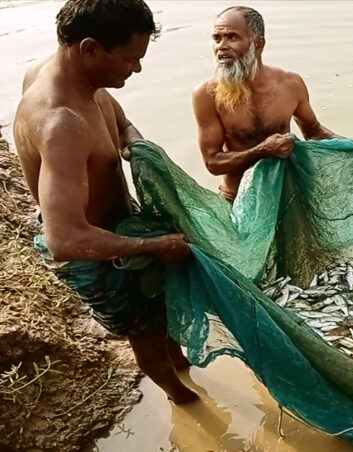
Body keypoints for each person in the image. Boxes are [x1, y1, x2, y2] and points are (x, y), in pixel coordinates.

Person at [13, 0, 197, 404]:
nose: (137, 69)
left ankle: (181, 364)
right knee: (144, 331)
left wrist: (135, 143)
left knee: (159, 314)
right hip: (96, 253)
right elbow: (63, 240)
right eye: (130, 58)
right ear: (91, 48)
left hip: (119, 230)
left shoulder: (64, 75)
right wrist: (154, 246)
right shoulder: (62, 125)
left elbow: (120, 120)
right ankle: (182, 400)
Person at [192, 6, 336, 202]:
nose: (221, 46)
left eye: (232, 37)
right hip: (237, 199)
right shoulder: (207, 95)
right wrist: (261, 150)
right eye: (217, 38)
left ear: (258, 44)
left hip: (289, 196)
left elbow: (314, 132)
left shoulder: (290, 84)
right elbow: (213, 163)